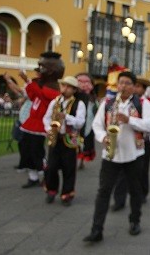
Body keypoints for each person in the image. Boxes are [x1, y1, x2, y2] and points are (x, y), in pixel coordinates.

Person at [83, 71, 150, 242]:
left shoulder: (143, 103)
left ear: (134, 86)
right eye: (121, 82)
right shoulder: (107, 103)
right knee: (103, 192)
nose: (123, 86)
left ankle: (135, 221)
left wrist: (130, 120)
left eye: (128, 83)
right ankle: (96, 229)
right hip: (110, 155)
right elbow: (97, 125)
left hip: (134, 154)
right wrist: (103, 137)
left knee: (135, 190)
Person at [111, 76, 150, 210]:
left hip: (143, 142)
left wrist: (131, 120)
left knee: (142, 171)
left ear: (143, 89)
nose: (134, 88)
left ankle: (142, 194)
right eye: (135, 85)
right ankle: (119, 200)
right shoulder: (120, 101)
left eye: (138, 86)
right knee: (121, 173)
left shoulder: (147, 102)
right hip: (124, 142)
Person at [19, 52, 64, 188]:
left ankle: (45, 175)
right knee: (26, 150)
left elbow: (41, 93)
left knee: (37, 152)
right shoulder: (40, 86)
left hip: (39, 125)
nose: (38, 73)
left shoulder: (53, 90)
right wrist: (31, 83)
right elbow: (33, 95)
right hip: (30, 123)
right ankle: (33, 177)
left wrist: (28, 80)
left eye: (41, 70)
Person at [42, 76, 86, 206]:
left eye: (68, 87)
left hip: (70, 139)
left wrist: (66, 117)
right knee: (51, 167)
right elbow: (46, 118)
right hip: (56, 138)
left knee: (69, 168)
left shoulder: (79, 104)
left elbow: (80, 122)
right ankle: (51, 190)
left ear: (74, 90)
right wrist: (48, 129)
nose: (64, 89)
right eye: (63, 86)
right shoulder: (54, 102)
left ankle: (67, 194)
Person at [75, 72, 98, 169]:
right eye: (80, 81)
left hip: (89, 121)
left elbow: (96, 109)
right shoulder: (74, 98)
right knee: (75, 139)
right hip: (76, 121)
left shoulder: (92, 99)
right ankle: (76, 159)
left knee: (86, 141)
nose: (84, 85)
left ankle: (82, 160)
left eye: (87, 82)